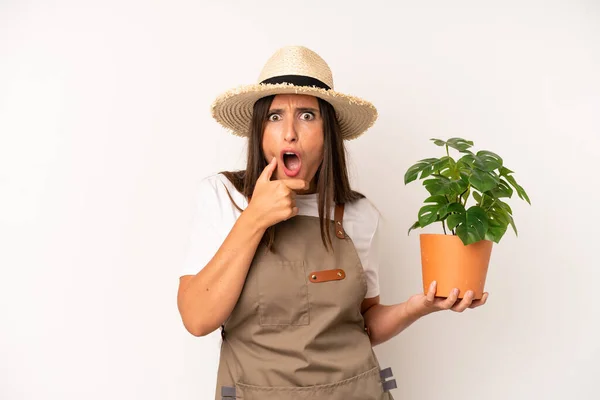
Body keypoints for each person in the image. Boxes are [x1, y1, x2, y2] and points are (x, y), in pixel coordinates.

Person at [177, 45, 488, 400]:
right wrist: (254, 219)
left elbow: (363, 324)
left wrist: (417, 307)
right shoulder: (223, 196)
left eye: (307, 116)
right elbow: (197, 319)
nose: (289, 133)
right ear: (259, 131)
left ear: (328, 134)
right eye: (275, 117)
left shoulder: (358, 214)